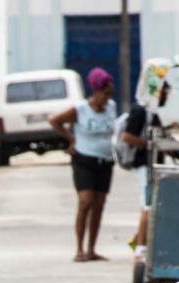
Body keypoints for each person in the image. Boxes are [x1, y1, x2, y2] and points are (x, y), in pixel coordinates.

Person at [48, 67, 116, 262]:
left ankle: (91, 249)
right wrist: (71, 139)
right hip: (84, 159)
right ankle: (79, 248)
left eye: (109, 94)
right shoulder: (80, 110)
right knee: (85, 201)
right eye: (104, 94)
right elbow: (54, 120)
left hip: (105, 161)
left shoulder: (111, 106)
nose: (106, 98)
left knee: (99, 204)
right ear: (95, 91)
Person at [121, 80, 178, 258]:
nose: (166, 98)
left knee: (148, 204)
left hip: (152, 165)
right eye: (165, 94)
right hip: (143, 165)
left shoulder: (152, 112)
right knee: (148, 205)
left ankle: (140, 239)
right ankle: (140, 248)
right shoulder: (140, 110)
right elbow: (127, 137)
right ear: (157, 93)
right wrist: (150, 145)